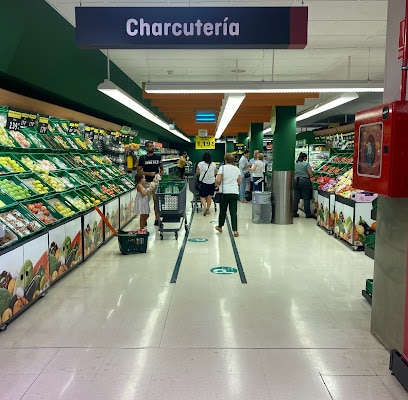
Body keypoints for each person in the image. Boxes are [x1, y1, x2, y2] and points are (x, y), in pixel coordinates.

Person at [215, 153, 242, 237]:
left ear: (225, 160)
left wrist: (218, 184)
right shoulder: (236, 169)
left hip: (225, 192)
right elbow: (240, 181)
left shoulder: (222, 168)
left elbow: (218, 180)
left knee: (223, 211)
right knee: (233, 212)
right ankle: (235, 230)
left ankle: (220, 226)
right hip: (234, 192)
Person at [137, 141, 163, 225]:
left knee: (157, 202)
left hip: (155, 182)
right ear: (146, 148)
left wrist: (159, 175)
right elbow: (139, 171)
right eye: (150, 146)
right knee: (145, 202)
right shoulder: (142, 158)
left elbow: (161, 169)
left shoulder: (158, 156)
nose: (152, 148)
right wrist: (148, 174)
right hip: (146, 183)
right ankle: (144, 220)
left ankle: (157, 219)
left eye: (152, 146)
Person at [196, 152, 218, 216]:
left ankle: (205, 208)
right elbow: (216, 172)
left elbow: (197, 172)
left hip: (203, 182)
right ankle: (208, 209)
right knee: (209, 196)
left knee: (202, 196)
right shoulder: (213, 164)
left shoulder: (200, 164)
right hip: (211, 182)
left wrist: (202, 173)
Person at [293, 152, 314, 218]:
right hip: (304, 181)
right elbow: (310, 173)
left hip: (296, 180)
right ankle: (307, 213)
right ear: (305, 157)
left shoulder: (295, 164)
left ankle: (294, 212)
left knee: (296, 197)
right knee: (306, 197)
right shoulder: (306, 163)